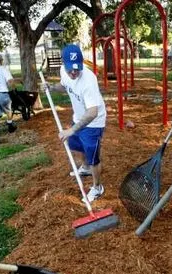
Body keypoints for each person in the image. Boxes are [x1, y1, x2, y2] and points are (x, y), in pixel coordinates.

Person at [48, 44, 107, 202]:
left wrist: (72, 130)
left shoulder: (88, 80)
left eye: (77, 68)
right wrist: (52, 87)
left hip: (94, 122)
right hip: (79, 117)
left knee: (93, 156)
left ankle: (97, 187)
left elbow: (93, 112)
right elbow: (65, 85)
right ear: (64, 63)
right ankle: (85, 168)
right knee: (77, 146)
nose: (74, 72)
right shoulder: (63, 71)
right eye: (70, 69)